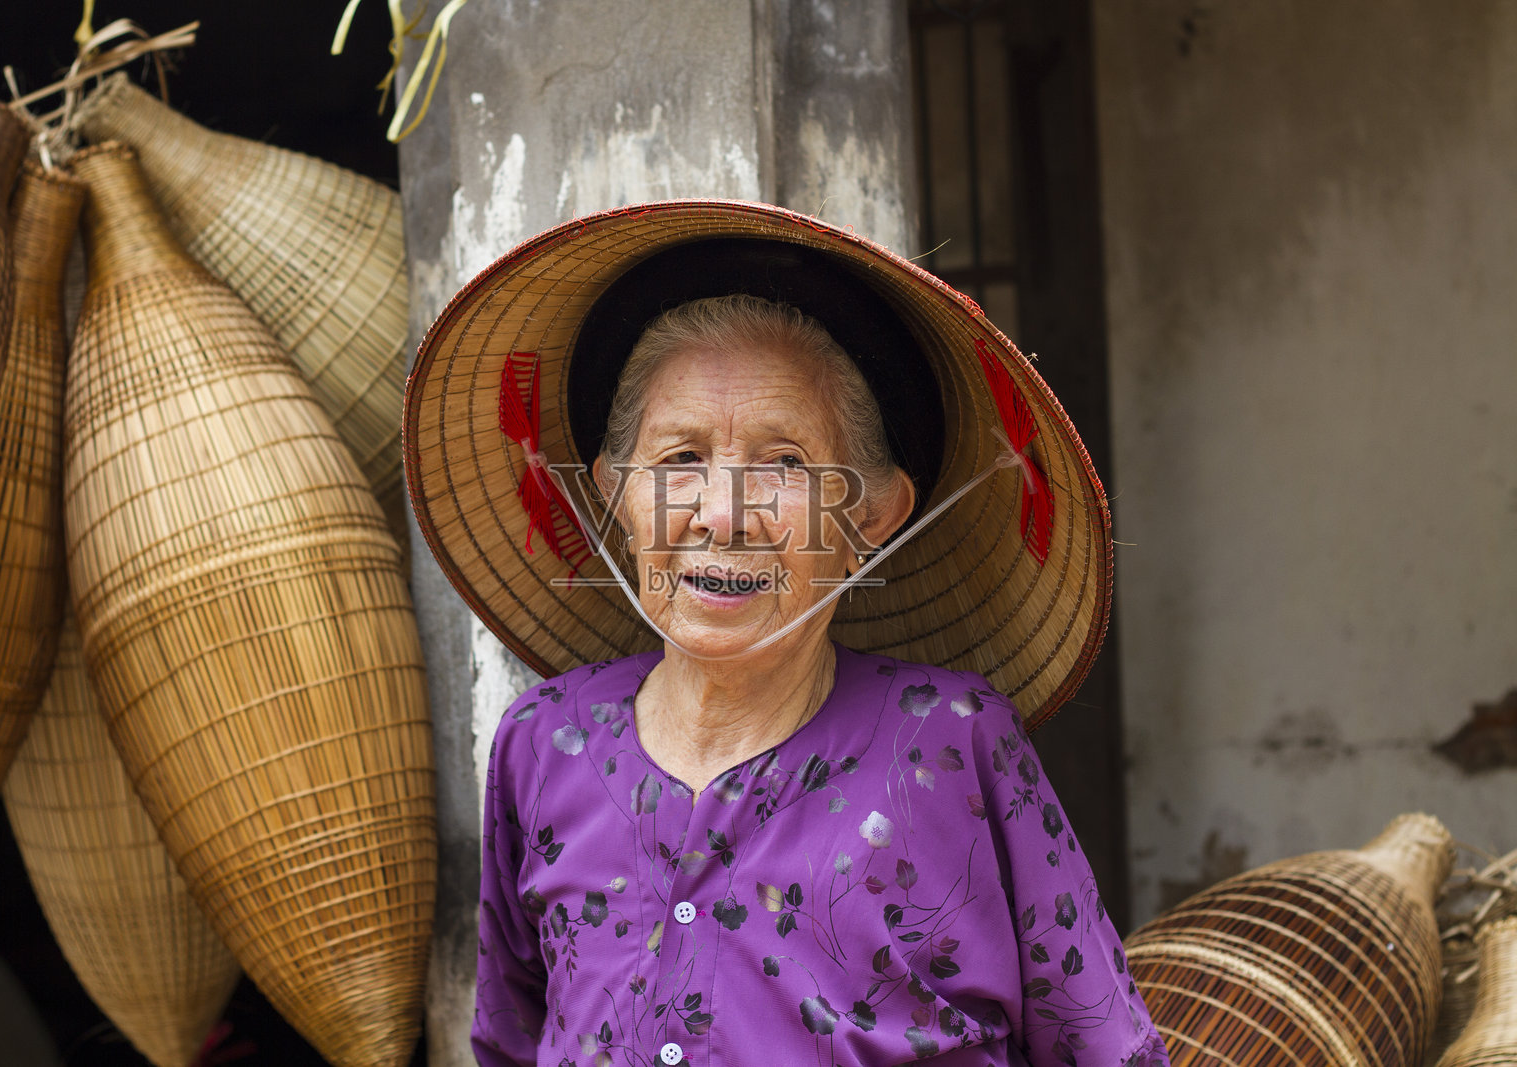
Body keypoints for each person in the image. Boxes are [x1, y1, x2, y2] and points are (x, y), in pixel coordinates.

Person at [405, 202, 1170, 1066]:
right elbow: (511, 1039)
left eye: (785, 464)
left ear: (874, 513)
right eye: (680, 459)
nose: (722, 516)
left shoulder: (951, 743)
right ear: (615, 493)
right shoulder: (546, 743)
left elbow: (1108, 1049)